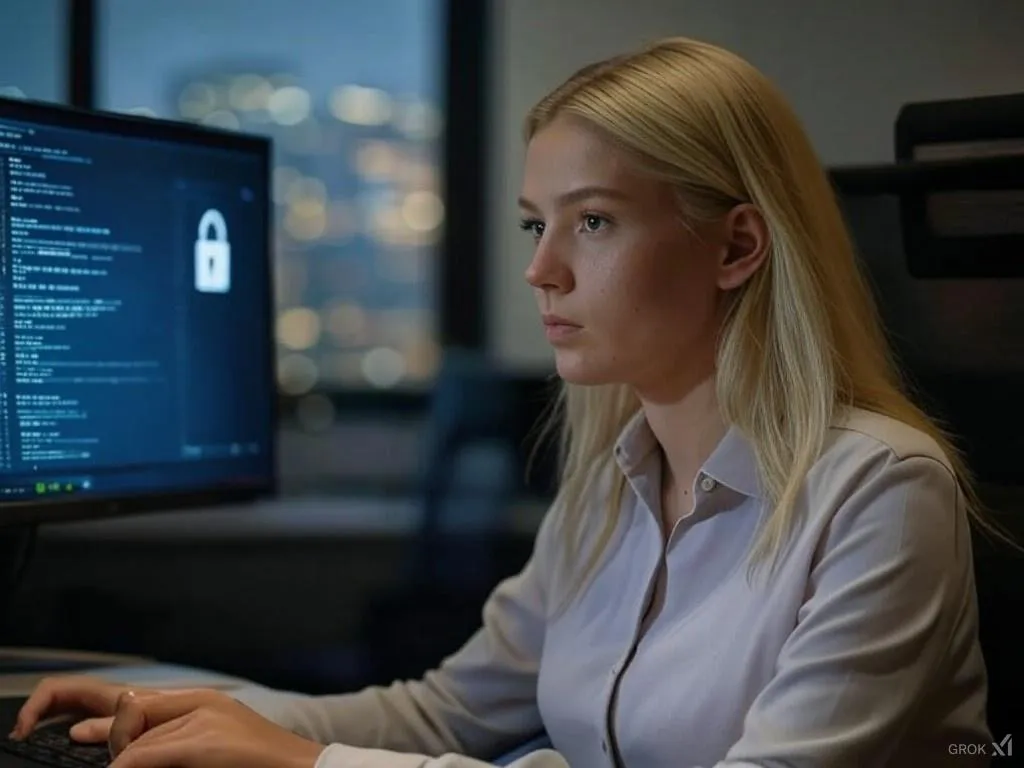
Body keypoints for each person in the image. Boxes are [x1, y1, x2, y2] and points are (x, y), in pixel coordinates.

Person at [9, 36, 994, 768]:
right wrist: (185, 705)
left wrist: (307, 766)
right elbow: (445, 716)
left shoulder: (878, 490)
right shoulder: (618, 481)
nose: (541, 271)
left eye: (593, 222)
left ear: (736, 247)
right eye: (534, 225)